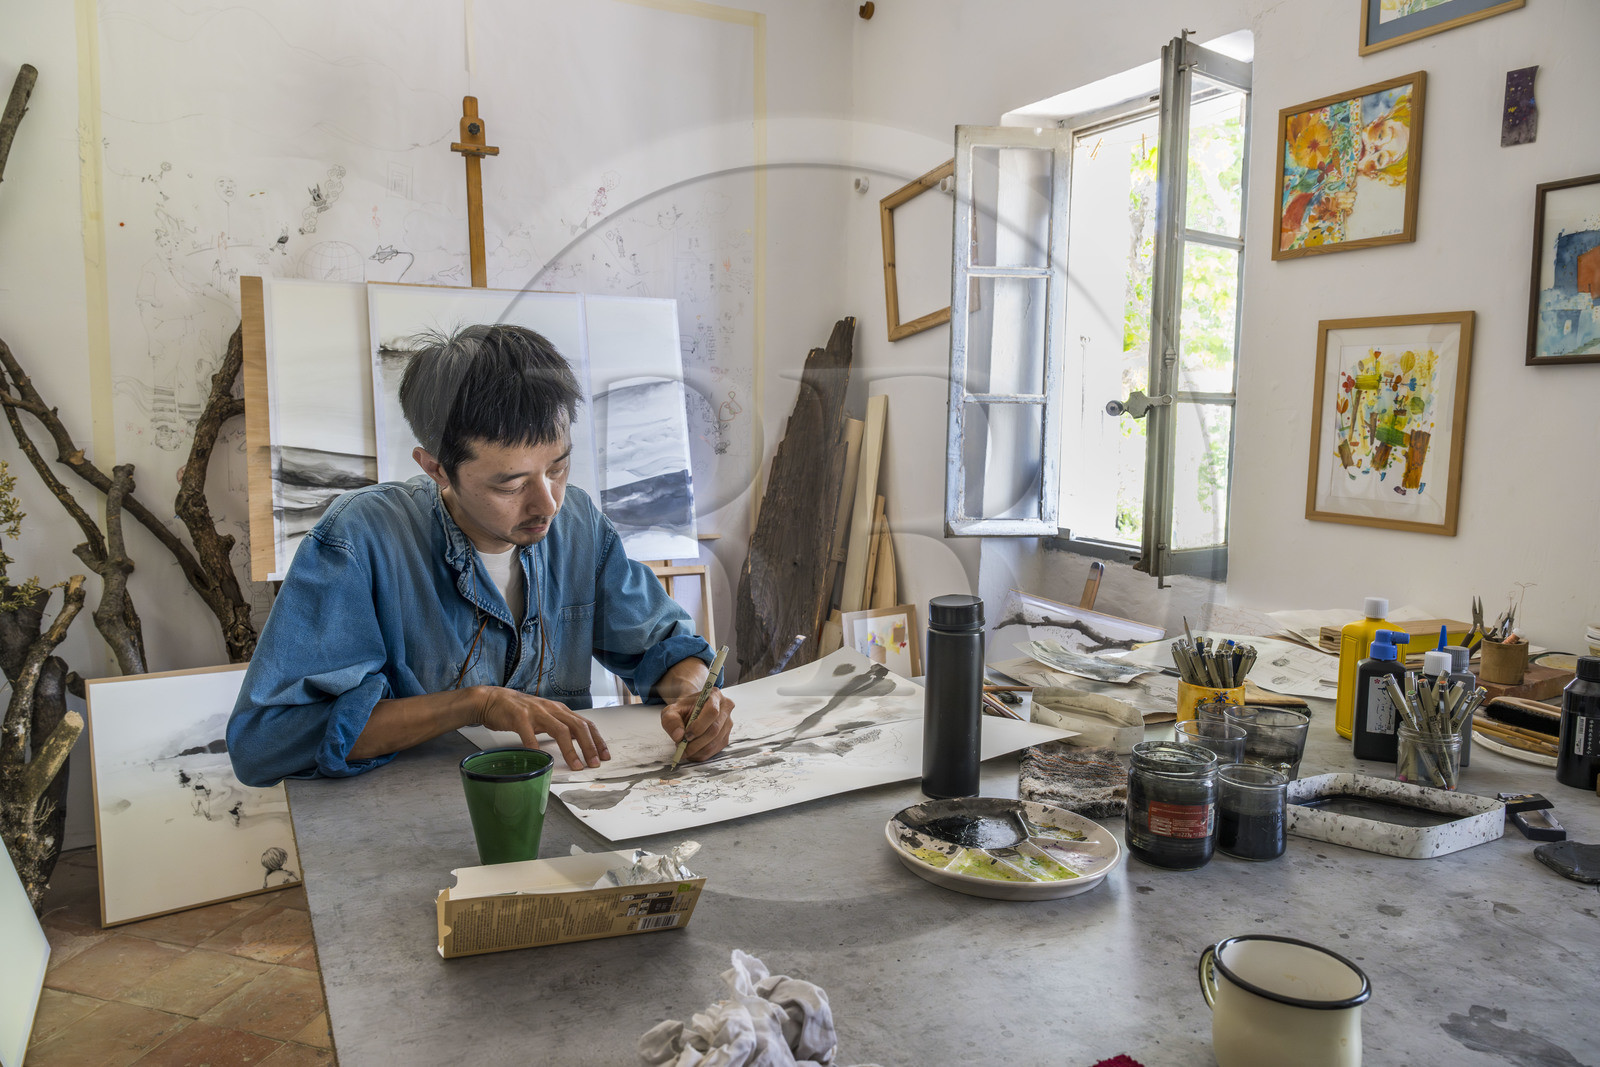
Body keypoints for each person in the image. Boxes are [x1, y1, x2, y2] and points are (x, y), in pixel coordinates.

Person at [227, 323, 733, 787]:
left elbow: (662, 648)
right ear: (437, 469)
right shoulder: (361, 540)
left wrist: (693, 694)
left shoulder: (577, 524)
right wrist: (474, 705)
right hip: (408, 821)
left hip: (565, 800)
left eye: (558, 467)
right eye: (511, 484)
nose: (548, 503)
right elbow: (266, 742)